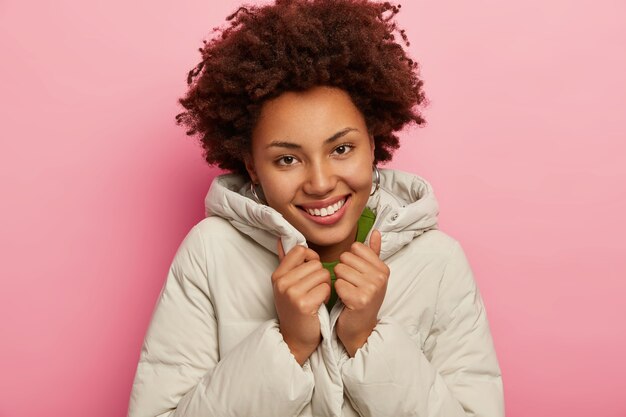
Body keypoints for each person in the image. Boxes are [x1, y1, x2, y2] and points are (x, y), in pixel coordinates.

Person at [128, 0, 504, 416]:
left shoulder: (439, 262)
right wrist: (288, 343)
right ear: (252, 166)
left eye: (342, 149)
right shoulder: (209, 253)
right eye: (287, 159)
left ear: (374, 144)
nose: (321, 183)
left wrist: (366, 340)